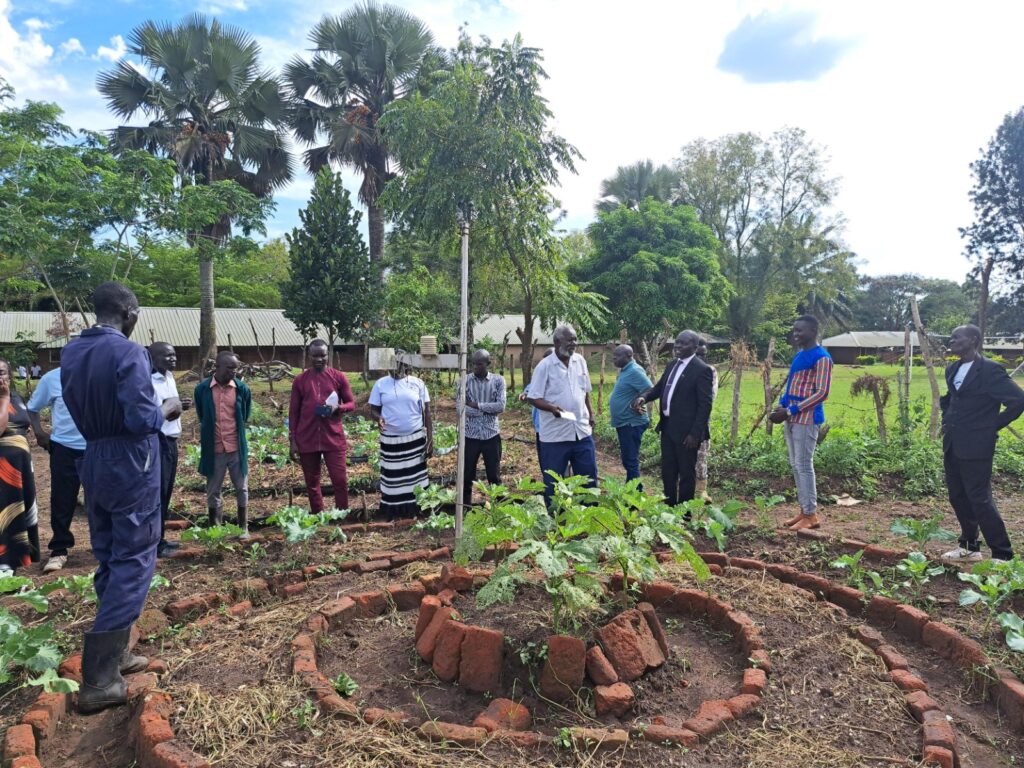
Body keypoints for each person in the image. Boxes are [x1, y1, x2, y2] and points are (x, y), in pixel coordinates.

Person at [60, 281, 180, 714]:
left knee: (110, 552)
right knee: (135, 557)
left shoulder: (71, 352)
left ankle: (118, 651)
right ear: (129, 311)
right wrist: (165, 410)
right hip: (131, 460)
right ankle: (100, 679)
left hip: (94, 455)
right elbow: (140, 417)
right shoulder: (130, 352)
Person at [939, 324, 1024, 562]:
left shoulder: (990, 370)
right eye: (952, 336)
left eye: (958, 337)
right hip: (953, 442)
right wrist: (947, 417)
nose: (952, 340)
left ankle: (1002, 553)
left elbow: (1018, 401)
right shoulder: (952, 369)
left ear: (974, 340)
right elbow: (952, 398)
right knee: (957, 495)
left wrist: (990, 426)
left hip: (978, 445)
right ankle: (969, 547)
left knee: (979, 497)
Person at [633, 330, 714, 507]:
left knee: (686, 473)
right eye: (676, 342)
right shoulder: (672, 365)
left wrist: (695, 433)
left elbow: (705, 406)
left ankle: (684, 513)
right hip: (668, 427)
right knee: (668, 470)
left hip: (687, 433)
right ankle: (669, 506)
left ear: (694, 346)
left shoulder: (701, 370)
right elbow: (659, 388)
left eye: (683, 343)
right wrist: (644, 397)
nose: (677, 346)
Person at [770, 315, 833, 531]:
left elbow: (822, 393)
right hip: (791, 416)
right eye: (794, 330)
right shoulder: (799, 355)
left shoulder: (822, 358)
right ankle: (804, 510)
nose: (796, 334)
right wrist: (782, 406)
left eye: (800, 331)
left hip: (806, 419)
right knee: (796, 465)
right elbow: (792, 387)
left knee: (805, 465)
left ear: (814, 331)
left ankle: (811, 514)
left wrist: (790, 410)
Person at [527, 325, 598, 505]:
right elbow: (533, 397)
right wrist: (552, 408)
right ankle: (557, 521)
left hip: (581, 431)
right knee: (555, 483)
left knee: (588, 478)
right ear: (557, 342)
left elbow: (585, 391)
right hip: (555, 436)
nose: (573, 344)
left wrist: (590, 414)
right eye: (569, 340)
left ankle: (589, 516)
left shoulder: (580, 361)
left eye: (575, 339)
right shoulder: (544, 366)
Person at [27, 365, 86, 572]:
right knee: (62, 499)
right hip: (64, 448)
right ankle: (59, 549)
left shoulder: (100, 374)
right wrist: (39, 433)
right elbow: (32, 408)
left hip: (98, 447)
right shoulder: (52, 379)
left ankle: (106, 546)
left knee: (103, 498)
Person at [289, 340, 356, 513]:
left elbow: (351, 403)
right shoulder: (300, 380)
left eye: (323, 355)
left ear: (328, 355)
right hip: (307, 437)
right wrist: (293, 440)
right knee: (312, 483)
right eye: (315, 355)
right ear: (309, 356)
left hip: (333, 437)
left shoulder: (338, 377)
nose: (319, 359)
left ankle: (342, 514)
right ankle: (318, 515)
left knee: (339, 480)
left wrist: (338, 408)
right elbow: (294, 412)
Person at [194, 351, 251, 534]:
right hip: (215, 449)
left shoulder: (242, 389)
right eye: (230, 368)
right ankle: (215, 528)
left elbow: (245, 415)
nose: (234, 372)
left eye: (236, 368)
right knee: (213, 490)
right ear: (217, 367)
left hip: (236, 448)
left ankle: (243, 526)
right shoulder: (202, 389)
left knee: (241, 488)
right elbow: (203, 415)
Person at [369, 354, 432, 518]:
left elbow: (427, 413)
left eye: (399, 364)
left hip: (415, 439)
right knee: (392, 477)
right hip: (391, 441)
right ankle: (393, 511)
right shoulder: (381, 384)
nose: (395, 367)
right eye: (392, 364)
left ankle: (417, 508)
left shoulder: (418, 383)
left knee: (416, 475)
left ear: (407, 365)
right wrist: (378, 417)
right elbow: (373, 410)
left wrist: (430, 440)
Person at [150, 343, 191, 558]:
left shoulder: (169, 378)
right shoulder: (148, 381)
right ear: (153, 357)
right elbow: (152, 413)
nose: (173, 359)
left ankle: (161, 538)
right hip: (158, 440)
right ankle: (155, 544)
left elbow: (171, 407)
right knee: (158, 492)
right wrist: (169, 408)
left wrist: (181, 406)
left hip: (171, 441)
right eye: (167, 356)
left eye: (174, 355)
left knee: (166, 491)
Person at [0, 359, 39, 576]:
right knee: (4, 514)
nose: (0, 378)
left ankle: (15, 561)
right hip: (3, 470)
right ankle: (3, 563)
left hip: (21, 468)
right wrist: (4, 398)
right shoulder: (6, 398)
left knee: (18, 514)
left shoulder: (17, 397)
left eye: (2, 373)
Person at [458, 349, 507, 504]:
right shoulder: (463, 381)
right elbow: (460, 408)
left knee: (494, 476)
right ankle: (465, 509)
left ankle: (498, 510)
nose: (475, 367)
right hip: (470, 436)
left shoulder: (498, 381)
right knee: (466, 476)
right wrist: (484, 410)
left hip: (491, 435)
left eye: (479, 364)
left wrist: (476, 404)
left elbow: (500, 406)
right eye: (473, 363)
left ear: (488, 363)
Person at [608, 344, 652, 489]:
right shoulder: (625, 370)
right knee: (628, 459)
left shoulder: (634, 370)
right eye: (613, 355)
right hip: (625, 422)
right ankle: (631, 488)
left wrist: (640, 400)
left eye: (617, 356)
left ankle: (635, 492)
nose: (614, 358)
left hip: (631, 422)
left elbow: (650, 389)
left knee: (630, 460)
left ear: (628, 356)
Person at [694, 341, 719, 500]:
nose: (700, 357)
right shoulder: (682, 369)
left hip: (702, 418)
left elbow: (711, 396)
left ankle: (701, 489)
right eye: (698, 354)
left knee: (701, 454)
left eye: (703, 354)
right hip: (683, 419)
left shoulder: (710, 371)